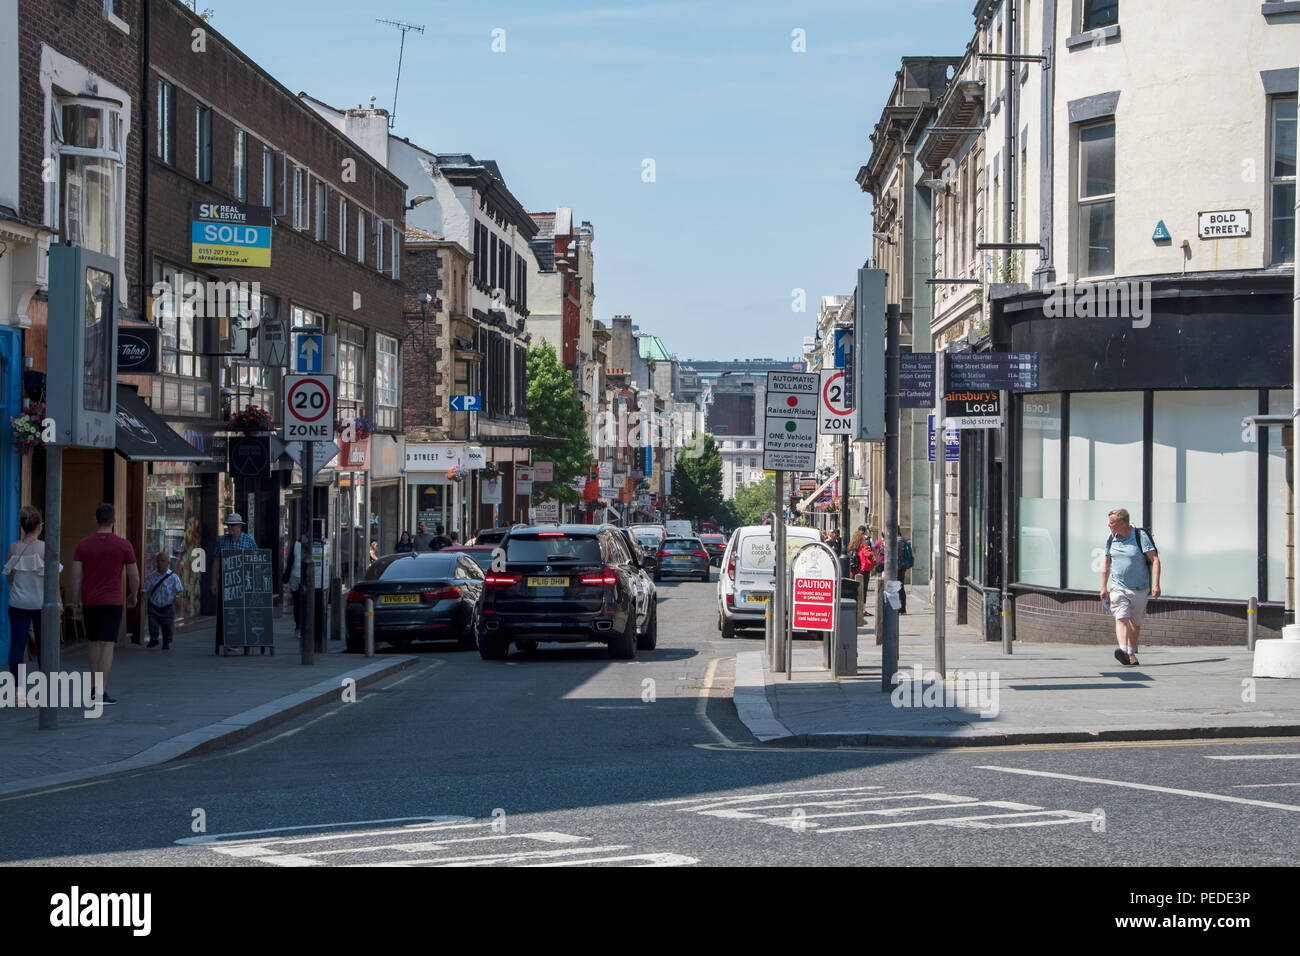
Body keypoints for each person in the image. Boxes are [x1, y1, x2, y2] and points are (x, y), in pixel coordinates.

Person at [70, 503, 138, 704]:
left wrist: (76, 603)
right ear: (114, 521)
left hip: (90, 600)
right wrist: (134, 595)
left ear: (95, 519)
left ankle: (94, 686)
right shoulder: (124, 545)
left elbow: (75, 577)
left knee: (93, 642)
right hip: (113, 601)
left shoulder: (83, 545)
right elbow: (134, 576)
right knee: (108, 644)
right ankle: (101, 691)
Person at [5, 505, 60, 686]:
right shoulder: (46, 548)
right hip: (40, 603)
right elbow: (53, 581)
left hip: (18, 603)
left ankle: (17, 689)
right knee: (45, 647)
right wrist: (58, 602)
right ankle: (45, 686)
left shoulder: (14, 547)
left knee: (17, 646)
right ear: (39, 526)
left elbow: (10, 579)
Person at [1100, 508, 1160, 666]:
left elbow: (1155, 560)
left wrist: (1155, 584)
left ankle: (1130, 653)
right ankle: (1123, 650)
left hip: (1140, 588)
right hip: (1118, 587)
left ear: (1121, 523)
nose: (1109, 525)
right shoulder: (1111, 538)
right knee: (1121, 617)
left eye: (1112, 522)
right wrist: (1103, 587)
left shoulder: (1140, 536)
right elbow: (1106, 562)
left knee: (1135, 623)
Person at [211, 513, 257, 653]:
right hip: (227, 583)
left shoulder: (248, 540)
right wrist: (214, 581)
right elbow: (216, 560)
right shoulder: (222, 541)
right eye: (228, 525)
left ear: (239, 526)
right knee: (228, 612)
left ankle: (244, 641)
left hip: (243, 583)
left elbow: (256, 561)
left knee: (243, 611)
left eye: (232, 525)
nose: (230, 528)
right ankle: (229, 639)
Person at [142, 551, 184, 649]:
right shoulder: (152, 576)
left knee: (167, 626)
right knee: (152, 624)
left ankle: (166, 642)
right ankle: (154, 639)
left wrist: (176, 598)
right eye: (158, 561)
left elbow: (179, 590)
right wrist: (143, 598)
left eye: (162, 561)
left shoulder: (173, 577)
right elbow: (145, 589)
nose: (160, 564)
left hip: (167, 606)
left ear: (168, 563)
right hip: (154, 605)